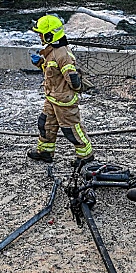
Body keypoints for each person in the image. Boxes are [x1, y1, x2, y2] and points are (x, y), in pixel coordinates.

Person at [27, 14, 94, 166]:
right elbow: (53, 72)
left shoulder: (63, 54)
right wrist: (41, 64)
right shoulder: (52, 50)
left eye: (41, 34)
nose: (39, 36)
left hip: (63, 101)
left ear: (50, 35)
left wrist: (71, 93)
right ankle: (45, 151)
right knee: (45, 124)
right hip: (52, 98)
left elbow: (73, 79)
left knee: (71, 130)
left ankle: (86, 156)